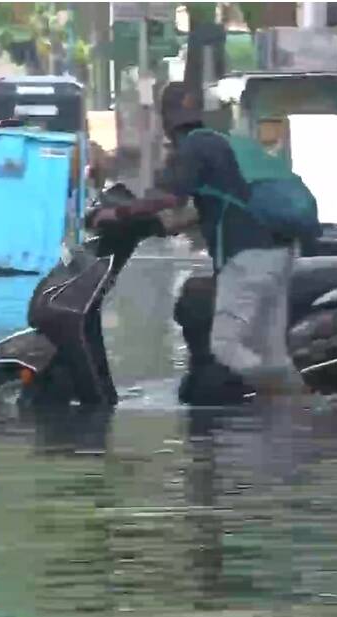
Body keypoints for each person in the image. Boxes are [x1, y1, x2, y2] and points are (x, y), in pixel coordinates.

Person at [92, 82, 306, 399]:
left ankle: (291, 399)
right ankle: (270, 399)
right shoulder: (217, 142)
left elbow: (167, 198)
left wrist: (118, 213)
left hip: (249, 259)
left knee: (213, 330)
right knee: (248, 339)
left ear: (166, 119)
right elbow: (209, 205)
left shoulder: (194, 147)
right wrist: (160, 227)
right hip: (269, 253)